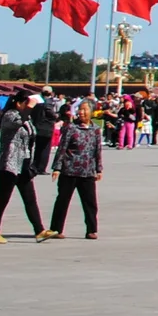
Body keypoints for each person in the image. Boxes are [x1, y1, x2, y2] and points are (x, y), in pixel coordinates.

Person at [0, 94, 51, 242]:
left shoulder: (26, 117)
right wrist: (28, 108)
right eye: (26, 104)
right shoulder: (9, 115)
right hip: (8, 163)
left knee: (30, 198)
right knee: (3, 199)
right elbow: (17, 123)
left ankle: (39, 230)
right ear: (19, 103)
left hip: (23, 163)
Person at [45, 98, 103, 237]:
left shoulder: (95, 129)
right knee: (63, 201)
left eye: (85, 109)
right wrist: (57, 168)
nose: (81, 112)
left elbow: (98, 150)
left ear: (92, 112)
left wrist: (99, 169)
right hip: (69, 170)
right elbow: (62, 148)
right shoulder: (71, 127)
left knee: (90, 203)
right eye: (80, 109)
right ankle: (56, 229)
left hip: (87, 171)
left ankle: (91, 230)